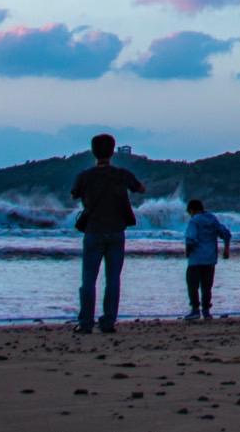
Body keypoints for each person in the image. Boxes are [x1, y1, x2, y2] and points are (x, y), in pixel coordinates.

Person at [71, 133, 146, 335]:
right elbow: (141, 189)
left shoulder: (85, 176)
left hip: (93, 231)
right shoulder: (122, 174)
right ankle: (108, 321)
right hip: (116, 230)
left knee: (88, 279)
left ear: (93, 152)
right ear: (113, 152)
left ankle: (86, 322)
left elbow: (73, 194)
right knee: (113, 278)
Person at [182, 198, 232, 320]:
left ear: (192, 210)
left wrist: (187, 252)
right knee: (206, 287)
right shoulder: (212, 219)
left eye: (190, 213)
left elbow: (191, 239)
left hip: (196, 260)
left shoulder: (194, 221)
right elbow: (225, 233)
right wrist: (226, 249)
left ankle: (195, 310)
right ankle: (206, 310)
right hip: (210, 260)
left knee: (192, 285)